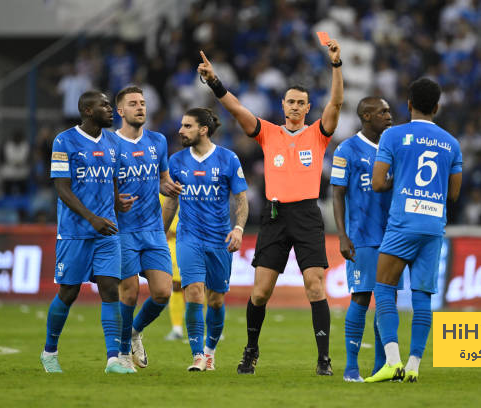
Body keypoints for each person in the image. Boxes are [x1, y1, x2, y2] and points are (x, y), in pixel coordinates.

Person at [197, 37, 343, 375]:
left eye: (301, 103)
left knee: (315, 286)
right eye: (290, 101)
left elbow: (336, 102)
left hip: (306, 214)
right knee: (260, 292)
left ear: (308, 108)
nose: (294, 107)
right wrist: (214, 80)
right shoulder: (267, 132)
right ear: (282, 105)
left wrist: (336, 65)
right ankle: (251, 350)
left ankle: (323, 358)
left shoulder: (319, 134)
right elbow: (235, 108)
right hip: (275, 216)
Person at [365, 78, 462, 383]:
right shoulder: (452, 143)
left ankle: (393, 361)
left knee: (383, 287)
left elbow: (379, 183)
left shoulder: (393, 135)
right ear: (436, 107)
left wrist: (401, 179)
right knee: (422, 295)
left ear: (408, 105)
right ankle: (415, 365)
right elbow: (454, 195)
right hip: (433, 224)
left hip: (403, 223)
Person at [40, 90, 136, 374]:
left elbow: (113, 179)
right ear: (87, 111)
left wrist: (117, 202)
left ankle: (113, 360)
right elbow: (62, 188)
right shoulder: (64, 140)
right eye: (105, 105)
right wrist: (92, 218)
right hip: (75, 232)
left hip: (107, 231)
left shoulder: (112, 142)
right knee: (69, 292)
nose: (111, 110)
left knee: (109, 290)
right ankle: (49, 352)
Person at [163, 107, 248, 371]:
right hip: (189, 238)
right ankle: (197, 354)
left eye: (187, 126)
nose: (180, 130)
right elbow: (170, 203)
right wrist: (158, 234)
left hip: (219, 240)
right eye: (181, 125)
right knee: (194, 293)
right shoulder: (175, 162)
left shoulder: (228, 159)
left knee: (216, 300)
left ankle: (210, 351)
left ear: (203, 129)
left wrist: (238, 229)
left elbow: (241, 200)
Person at [113, 86, 182, 371]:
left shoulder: (158, 141)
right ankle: (121, 354)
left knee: (163, 293)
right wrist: (114, 201)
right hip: (123, 230)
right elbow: (100, 185)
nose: (140, 107)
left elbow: (163, 179)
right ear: (121, 111)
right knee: (129, 293)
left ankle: (134, 332)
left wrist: (170, 187)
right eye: (133, 103)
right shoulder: (109, 144)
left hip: (153, 230)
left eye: (142, 103)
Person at [330, 97, 394, 382]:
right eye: (383, 112)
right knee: (361, 296)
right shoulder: (347, 149)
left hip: (393, 237)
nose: (389, 115)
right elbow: (337, 193)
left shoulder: (392, 146)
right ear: (367, 116)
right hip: (362, 237)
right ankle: (351, 367)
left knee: (387, 300)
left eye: (389, 110)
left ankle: (382, 366)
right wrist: (343, 235)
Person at [159, 192, 186, 341]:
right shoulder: (163, 188)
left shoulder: (193, 181)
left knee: (202, 284)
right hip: (172, 240)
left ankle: (210, 328)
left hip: (193, 237)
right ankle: (177, 329)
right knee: (175, 285)